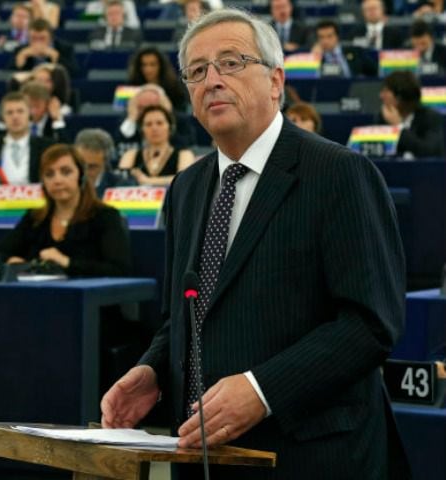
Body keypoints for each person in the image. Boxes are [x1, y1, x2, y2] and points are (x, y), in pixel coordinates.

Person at [101, 8, 408, 480]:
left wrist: (263, 390)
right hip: (205, 457)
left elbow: (370, 323)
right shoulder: (186, 187)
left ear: (275, 80)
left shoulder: (339, 173)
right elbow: (188, 311)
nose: (213, 80)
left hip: (312, 457)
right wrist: (154, 370)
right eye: (198, 71)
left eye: (231, 62)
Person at [0, 144, 131, 277]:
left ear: (81, 176)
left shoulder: (105, 216)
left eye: (66, 172)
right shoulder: (34, 217)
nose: (57, 180)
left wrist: (67, 263)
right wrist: (10, 261)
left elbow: (118, 269)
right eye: (49, 174)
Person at [0, 92, 54, 184]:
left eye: (20, 111)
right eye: (9, 113)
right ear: (3, 117)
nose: (15, 117)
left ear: (29, 115)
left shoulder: (46, 146)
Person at [118, 105, 195, 186]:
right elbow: (119, 181)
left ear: (170, 127)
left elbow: (185, 180)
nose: (154, 128)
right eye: (148, 124)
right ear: (142, 130)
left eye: (159, 123)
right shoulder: (130, 155)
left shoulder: (184, 154)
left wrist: (148, 181)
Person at [379, 70, 445, 158]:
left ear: (399, 97)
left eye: (385, 91)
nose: (381, 96)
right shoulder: (382, 119)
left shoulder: (430, 118)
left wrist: (399, 127)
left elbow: (430, 152)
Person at [74, 128, 135, 198]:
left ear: (105, 162)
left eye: (92, 167)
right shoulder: (65, 185)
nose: (85, 171)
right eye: (81, 165)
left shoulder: (121, 188)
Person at [126, 46, 188, 113]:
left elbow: (182, 112)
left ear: (161, 66)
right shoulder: (131, 85)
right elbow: (121, 111)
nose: (148, 69)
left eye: (152, 64)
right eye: (144, 65)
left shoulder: (173, 87)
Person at [9, 19, 78, 77]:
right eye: (33, 38)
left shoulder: (64, 48)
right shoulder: (20, 50)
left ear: (51, 38)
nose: (38, 42)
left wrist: (56, 58)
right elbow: (7, 76)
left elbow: (74, 74)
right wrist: (20, 61)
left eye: (42, 38)